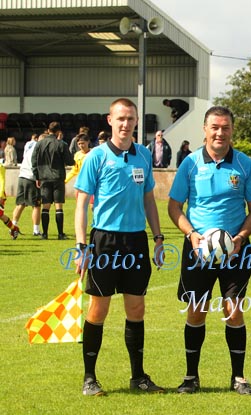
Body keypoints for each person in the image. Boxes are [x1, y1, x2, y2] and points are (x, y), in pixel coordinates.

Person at [168, 106, 251, 396]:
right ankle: (190, 377)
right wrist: (192, 235)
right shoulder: (190, 164)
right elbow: (174, 206)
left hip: (235, 251)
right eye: (215, 127)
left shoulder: (244, 165)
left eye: (225, 127)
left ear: (231, 130)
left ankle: (239, 377)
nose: (220, 133)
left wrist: (241, 237)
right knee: (196, 312)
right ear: (205, 130)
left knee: (233, 311)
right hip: (198, 251)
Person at [74, 98, 165, 396]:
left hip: (136, 241)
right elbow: (81, 205)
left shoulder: (143, 155)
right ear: (110, 120)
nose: (126, 124)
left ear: (137, 121)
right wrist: (81, 245)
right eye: (121, 118)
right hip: (105, 241)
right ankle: (90, 378)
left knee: (136, 308)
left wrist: (158, 237)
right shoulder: (96, 157)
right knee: (98, 309)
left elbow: (149, 199)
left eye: (131, 119)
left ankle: (138, 376)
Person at [31, 121, 74, 240]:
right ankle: (60, 234)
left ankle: (45, 234)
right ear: (58, 131)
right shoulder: (61, 144)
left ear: (48, 130)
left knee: (46, 206)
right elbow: (70, 161)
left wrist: (37, 177)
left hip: (44, 177)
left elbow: (33, 161)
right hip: (58, 177)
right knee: (58, 206)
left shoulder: (39, 144)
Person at [12, 133, 42, 237]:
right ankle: (36, 230)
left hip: (22, 176)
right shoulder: (39, 149)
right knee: (36, 205)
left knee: (21, 204)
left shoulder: (29, 146)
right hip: (31, 178)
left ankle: (13, 227)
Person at [0, 164, 20, 239]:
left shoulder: (0, 167)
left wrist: (1, 194)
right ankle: (14, 228)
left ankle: (14, 229)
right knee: (1, 216)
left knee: (1, 215)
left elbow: (2, 180)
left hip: (0, 194)